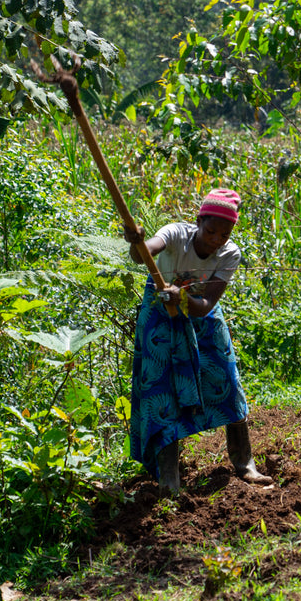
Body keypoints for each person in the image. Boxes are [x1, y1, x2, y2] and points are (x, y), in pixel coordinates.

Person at [123, 188, 272, 495]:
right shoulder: (176, 234)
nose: (215, 239)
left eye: (224, 233)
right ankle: (169, 481)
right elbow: (143, 254)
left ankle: (245, 464)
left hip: (201, 317)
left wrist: (185, 298)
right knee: (162, 392)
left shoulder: (230, 254)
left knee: (227, 382)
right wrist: (137, 241)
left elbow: (205, 305)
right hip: (159, 315)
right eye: (210, 230)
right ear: (198, 221)